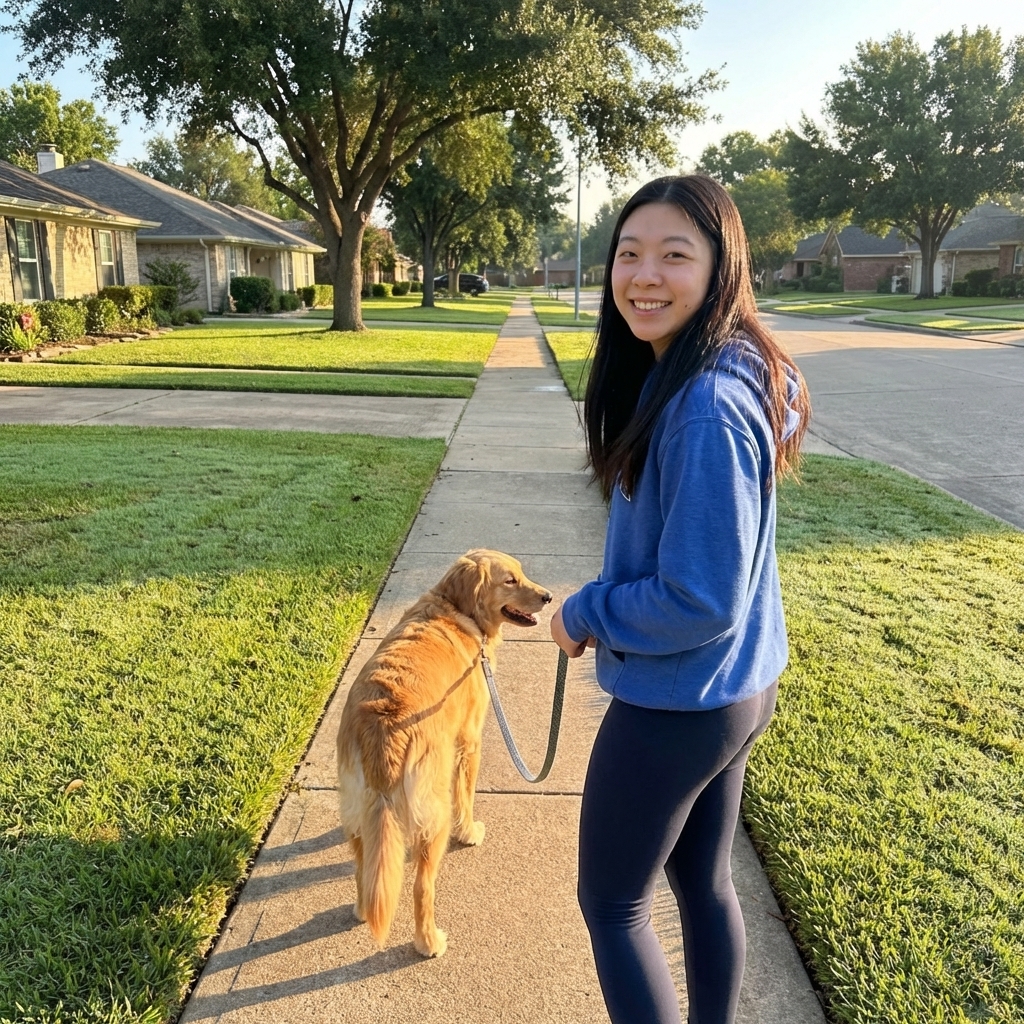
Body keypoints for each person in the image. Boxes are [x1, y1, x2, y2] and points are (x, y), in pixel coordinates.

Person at [550, 175, 811, 1024]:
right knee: (701, 882)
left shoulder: (704, 404)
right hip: (733, 690)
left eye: (674, 254)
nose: (643, 275)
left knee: (613, 905)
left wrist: (586, 612)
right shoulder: (720, 367)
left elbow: (700, 599)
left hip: (682, 699)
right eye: (629, 254)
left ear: (720, 266)